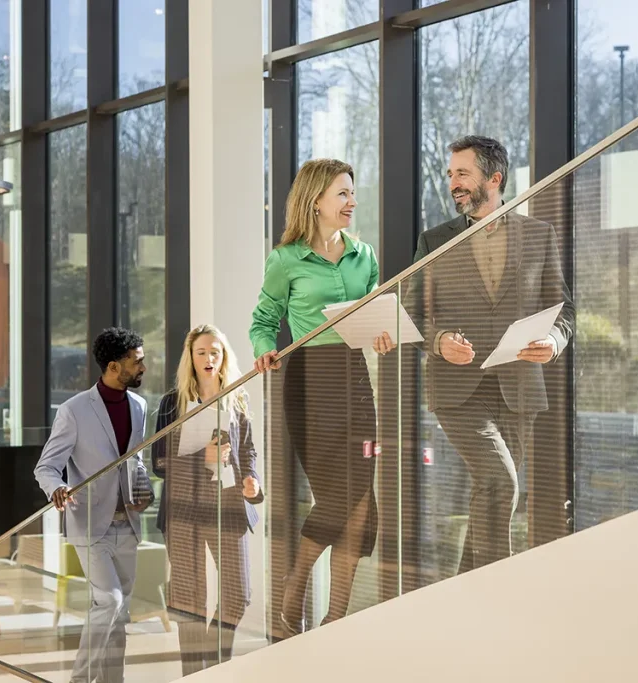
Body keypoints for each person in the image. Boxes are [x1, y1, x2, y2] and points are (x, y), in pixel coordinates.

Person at [375, 135, 575, 574]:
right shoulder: (435, 241)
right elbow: (411, 313)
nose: (453, 183)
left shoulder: (538, 235)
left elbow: (563, 308)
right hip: (456, 389)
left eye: (462, 173)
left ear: (494, 178)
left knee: (491, 494)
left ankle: (463, 592)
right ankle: (500, 589)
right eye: (451, 174)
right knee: (501, 482)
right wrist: (439, 340)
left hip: (519, 387)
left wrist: (554, 341)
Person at [250, 158, 380, 635]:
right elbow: (263, 321)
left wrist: (383, 332)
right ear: (315, 201)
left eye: (352, 192)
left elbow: (375, 314)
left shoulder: (364, 255)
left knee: (361, 500)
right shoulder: (286, 259)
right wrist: (265, 350)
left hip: (356, 379)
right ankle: (298, 576)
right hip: (309, 380)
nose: (352, 201)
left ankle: (335, 617)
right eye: (343, 193)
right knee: (338, 495)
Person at [34, 327, 154, 683]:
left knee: (120, 612)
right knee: (109, 601)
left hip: (128, 523)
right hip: (90, 524)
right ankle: (80, 679)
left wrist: (143, 487)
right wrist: (57, 488)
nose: (143, 367)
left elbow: (136, 459)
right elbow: (46, 467)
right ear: (114, 367)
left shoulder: (139, 406)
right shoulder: (73, 411)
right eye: (137, 361)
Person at [151, 325, 264, 674]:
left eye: (215, 351)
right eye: (201, 352)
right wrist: (202, 458)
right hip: (184, 507)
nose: (209, 358)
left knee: (238, 594)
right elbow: (158, 462)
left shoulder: (237, 397)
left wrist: (252, 480)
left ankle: (216, 667)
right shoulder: (172, 403)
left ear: (223, 356)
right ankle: (193, 674)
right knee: (190, 601)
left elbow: (248, 449)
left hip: (228, 503)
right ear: (191, 358)